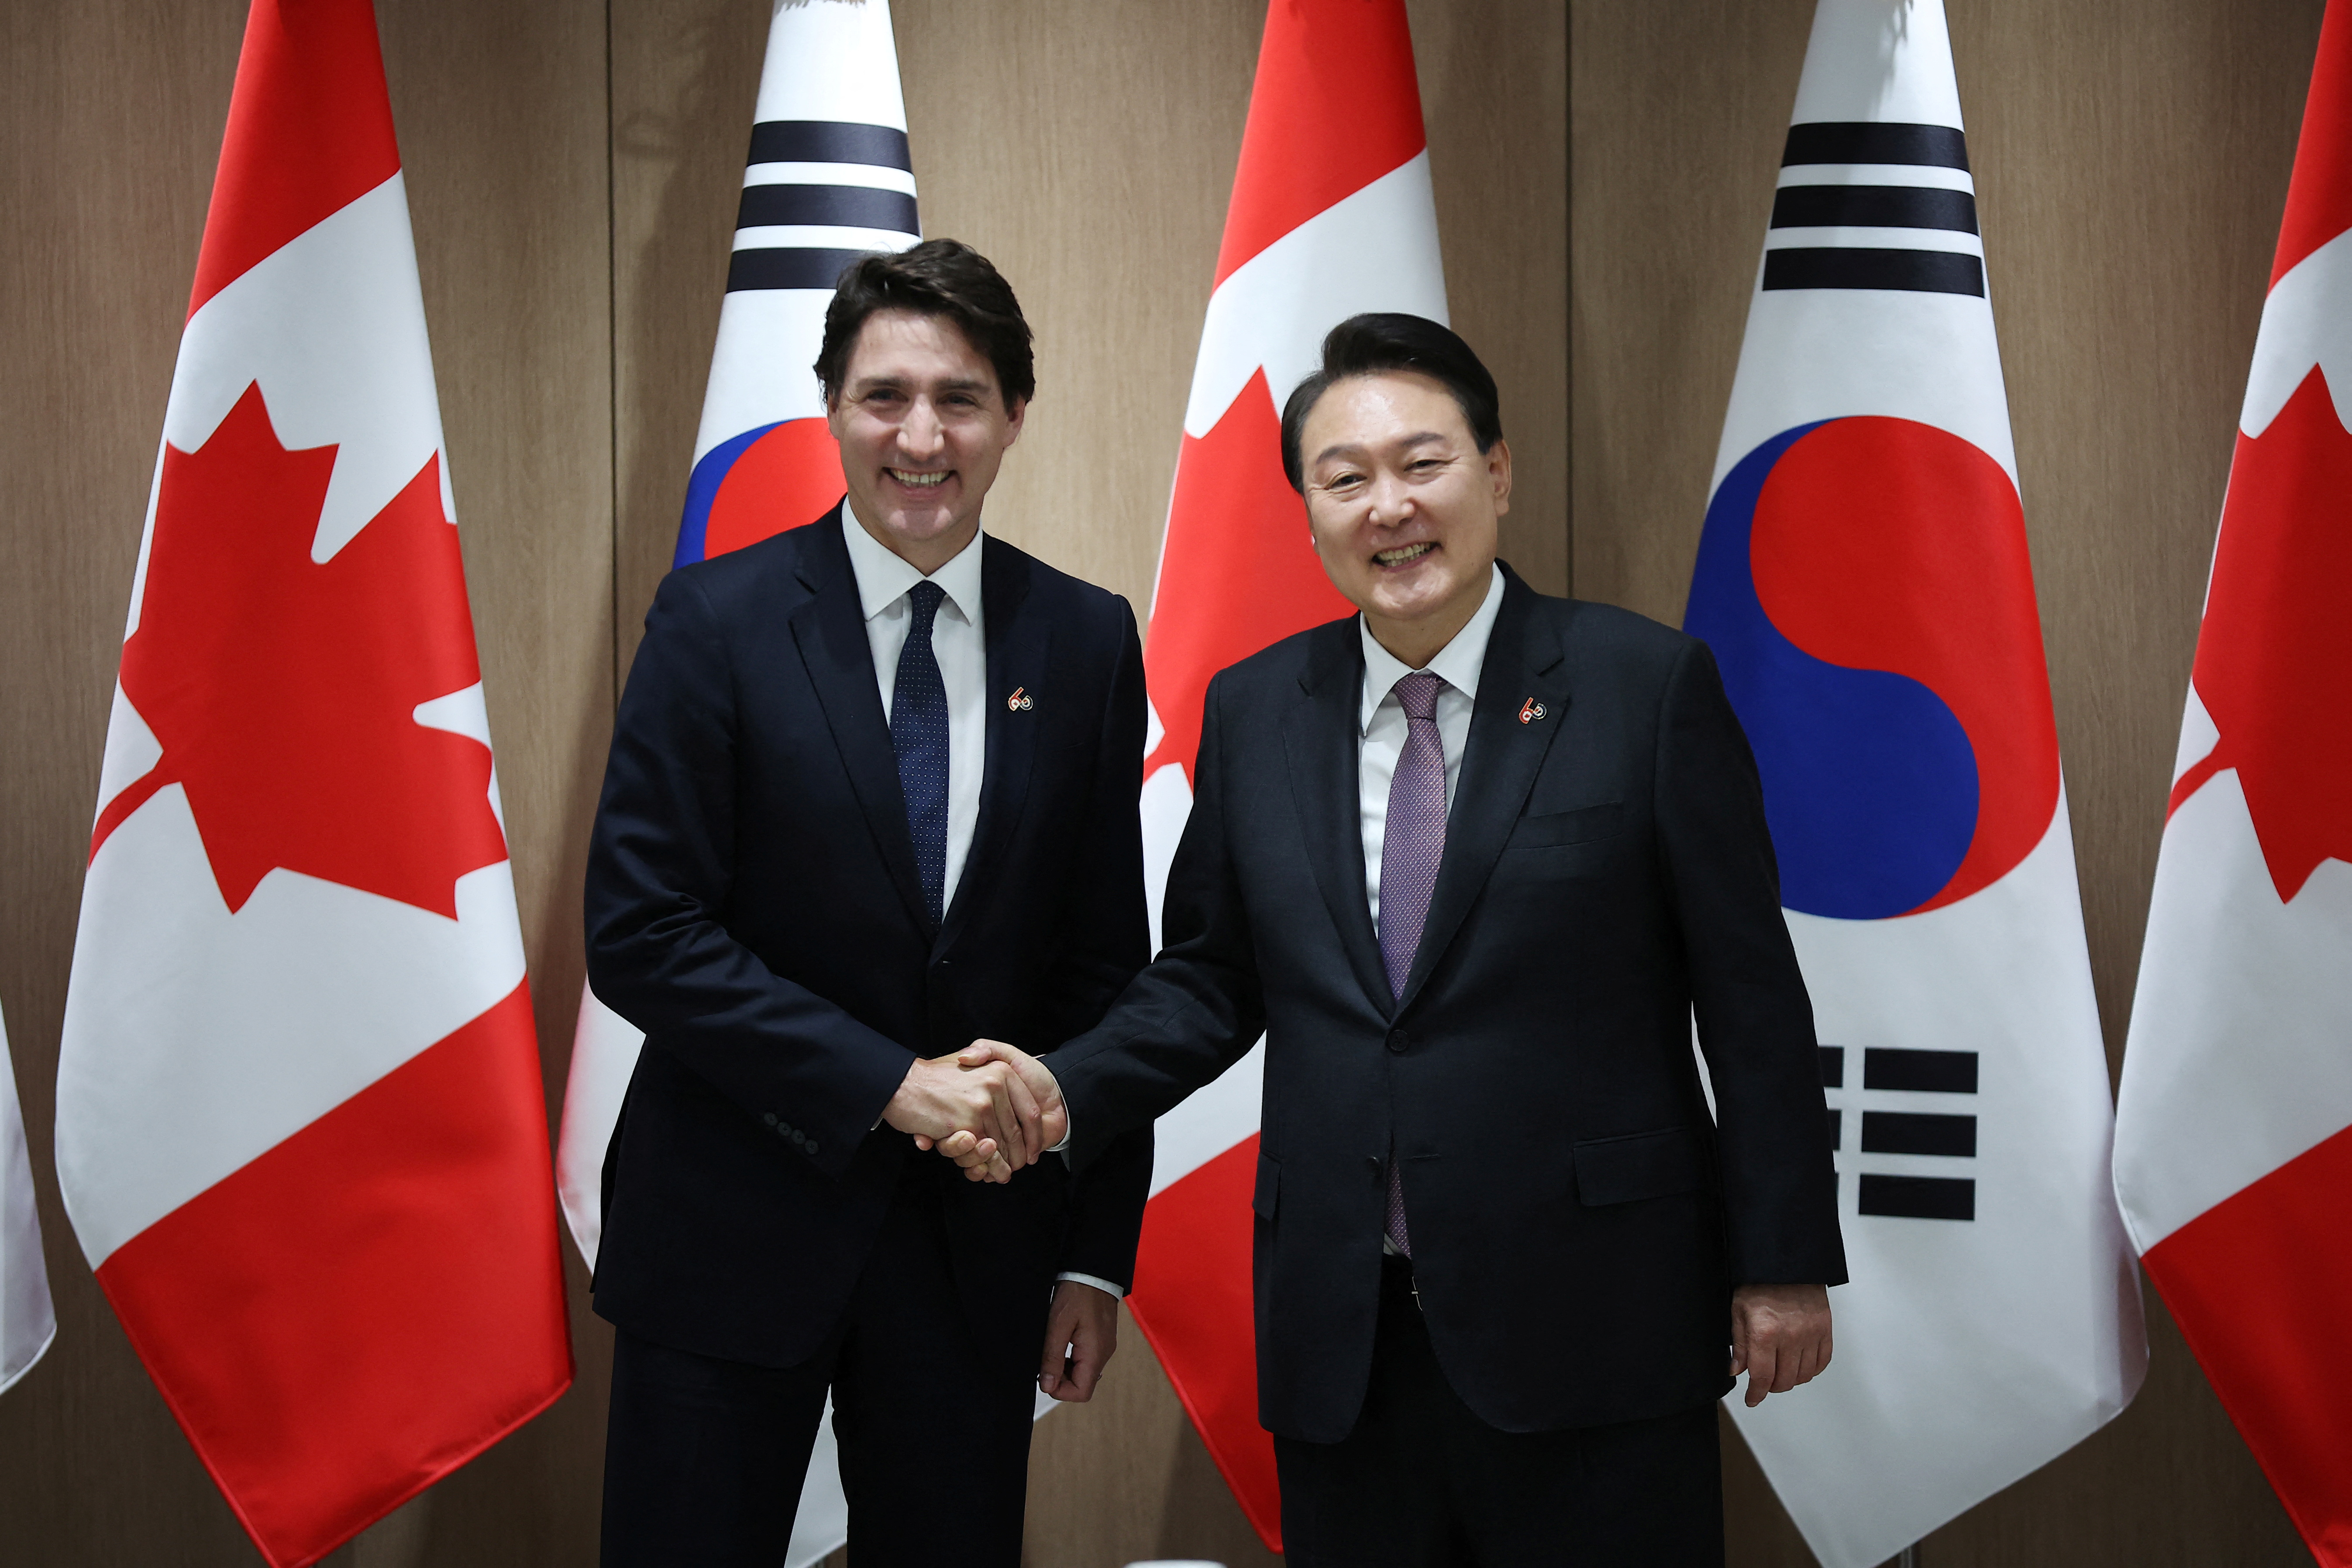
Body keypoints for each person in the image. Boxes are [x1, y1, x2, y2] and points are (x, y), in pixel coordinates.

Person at [945, 314, 1846, 1566]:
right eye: (1344, 476)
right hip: (1344, 1331)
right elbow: (1210, 976)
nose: (1388, 506)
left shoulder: (1644, 689)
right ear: (1306, 509)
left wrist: (1782, 1261)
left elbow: (1749, 998)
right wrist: (1057, 1084)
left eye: (1421, 463)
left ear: (1497, 474)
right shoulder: (1258, 708)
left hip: (1592, 1317)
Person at [582, 239, 1153, 1568]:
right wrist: (888, 1083)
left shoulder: (1082, 639)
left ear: (1014, 415)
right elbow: (642, 931)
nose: (919, 435)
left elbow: (1102, 975)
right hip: (727, 1231)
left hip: (977, 1258)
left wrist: (1091, 1256)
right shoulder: (713, 621)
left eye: (958, 399)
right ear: (831, 407)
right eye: (882, 395)